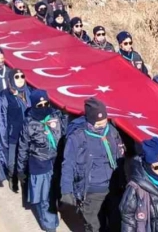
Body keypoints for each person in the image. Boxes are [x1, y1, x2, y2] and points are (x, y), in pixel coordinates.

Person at [61, 98, 125, 232]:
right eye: (98, 124)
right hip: (91, 190)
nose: (103, 126)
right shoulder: (77, 138)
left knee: (115, 222)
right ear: (90, 121)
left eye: (105, 121)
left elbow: (120, 155)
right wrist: (66, 190)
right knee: (93, 226)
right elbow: (68, 164)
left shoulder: (112, 131)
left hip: (112, 187)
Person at [17, 90, 63, 232]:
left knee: (54, 194)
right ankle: (49, 225)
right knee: (44, 197)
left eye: (46, 104)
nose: (44, 107)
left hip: (55, 163)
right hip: (40, 164)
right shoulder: (29, 123)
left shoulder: (56, 116)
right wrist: (20, 169)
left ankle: (52, 218)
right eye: (40, 105)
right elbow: (23, 147)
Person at [0, 68, 32, 191]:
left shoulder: (29, 93)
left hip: (27, 135)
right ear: (11, 79)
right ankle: (12, 177)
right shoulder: (4, 96)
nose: (20, 79)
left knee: (25, 160)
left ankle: (24, 182)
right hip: (13, 135)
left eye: (22, 76)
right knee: (12, 162)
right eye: (16, 77)